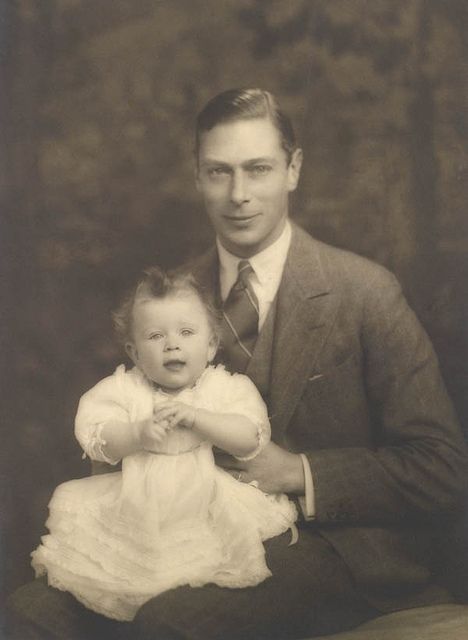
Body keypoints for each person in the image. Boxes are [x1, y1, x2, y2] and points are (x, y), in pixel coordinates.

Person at [7, 88, 468, 640]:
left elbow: (441, 466)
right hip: (180, 530)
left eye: (259, 169)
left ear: (293, 170)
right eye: (219, 172)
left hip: (337, 546)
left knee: (171, 625)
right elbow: (129, 414)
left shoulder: (364, 292)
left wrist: (297, 472)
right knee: (29, 614)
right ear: (198, 177)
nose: (239, 195)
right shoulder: (169, 301)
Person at [29, 266, 297, 622]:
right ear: (135, 352)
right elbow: (97, 437)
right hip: (136, 506)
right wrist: (137, 433)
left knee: (194, 584)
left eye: (187, 332)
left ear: (212, 344)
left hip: (206, 501)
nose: (172, 343)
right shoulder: (124, 390)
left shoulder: (223, 389)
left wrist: (198, 418)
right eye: (155, 336)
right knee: (122, 577)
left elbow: (250, 438)